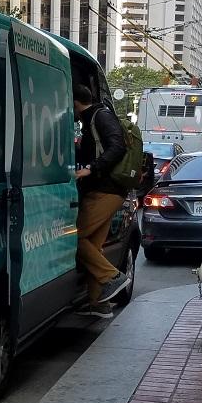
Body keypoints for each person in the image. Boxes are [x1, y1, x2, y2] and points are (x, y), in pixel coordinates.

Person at [73, 83, 131, 319]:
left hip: (104, 191)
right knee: (93, 246)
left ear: (76, 102)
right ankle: (97, 303)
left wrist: (91, 168)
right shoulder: (93, 118)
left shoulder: (100, 116)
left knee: (73, 238)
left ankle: (113, 277)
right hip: (108, 191)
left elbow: (117, 146)